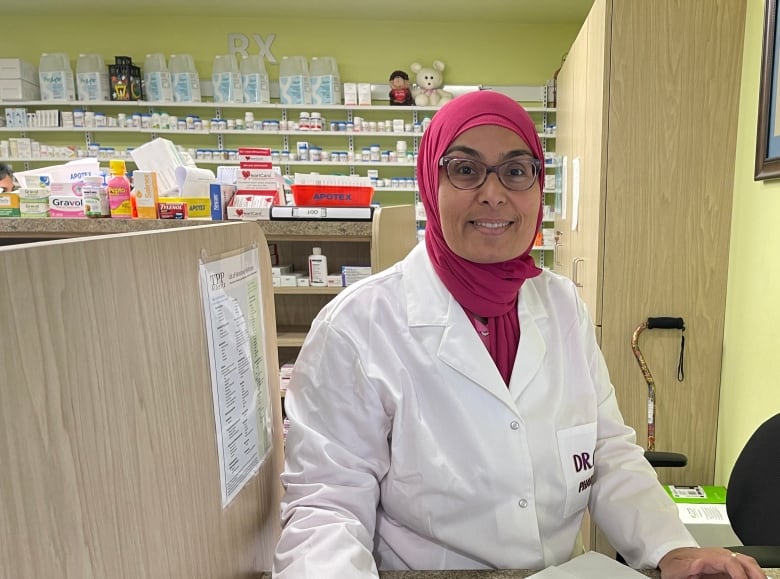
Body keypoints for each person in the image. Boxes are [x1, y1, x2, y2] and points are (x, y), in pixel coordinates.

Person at [273, 91, 765, 579]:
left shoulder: (562, 304)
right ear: (430, 182)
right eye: (465, 169)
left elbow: (609, 452)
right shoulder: (357, 328)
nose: (493, 193)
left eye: (515, 170)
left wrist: (671, 547)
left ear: (537, 185)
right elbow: (326, 507)